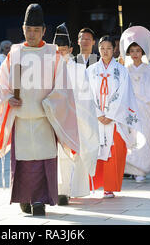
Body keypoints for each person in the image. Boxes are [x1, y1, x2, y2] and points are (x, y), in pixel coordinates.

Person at [0, 3, 79, 216]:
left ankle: (39, 200)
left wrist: (50, 104)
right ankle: (23, 197)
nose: (32, 34)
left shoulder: (53, 53)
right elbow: (3, 85)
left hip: (45, 118)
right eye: (28, 30)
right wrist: (9, 97)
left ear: (44, 31)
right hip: (21, 118)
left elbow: (63, 88)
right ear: (23, 29)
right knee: (23, 161)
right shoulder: (15, 53)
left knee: (42, 161)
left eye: (36, 30)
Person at [87, 35, 142, 197]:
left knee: (114, 150)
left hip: (115, 119)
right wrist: (98, 113)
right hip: (96, 118)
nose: (105, 51)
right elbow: (87, 93)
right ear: (98, 49)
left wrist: (110, 114)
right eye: (102, 48)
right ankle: (95, 183)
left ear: (114, 49)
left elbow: (125, 94)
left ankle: (109, 186)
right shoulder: (90, 70)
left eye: (108, 48)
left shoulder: (121, 70)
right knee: (96, 150)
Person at [53, 23, 99, 205]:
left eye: (64, 50)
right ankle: (62, 191)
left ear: (71, 49)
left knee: (76, 155)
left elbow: (86, 97)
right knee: (60, 156)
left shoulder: (79, 69)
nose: (61, 53)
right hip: (57, 118)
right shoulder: (50, 68)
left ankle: (75, 188)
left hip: (77, 116)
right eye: (57, 50)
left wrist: (74, 110)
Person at [119, 26, 150, 182]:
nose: (135, 54)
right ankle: (130, 169)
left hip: (145, 110)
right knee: (131, 140)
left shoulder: (149, 70)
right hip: (129, 110)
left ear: (143, 52)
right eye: (132, 51)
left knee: (144, 139)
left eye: (138, 51)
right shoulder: (124, 70)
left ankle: (141, 171)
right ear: (128, 53)